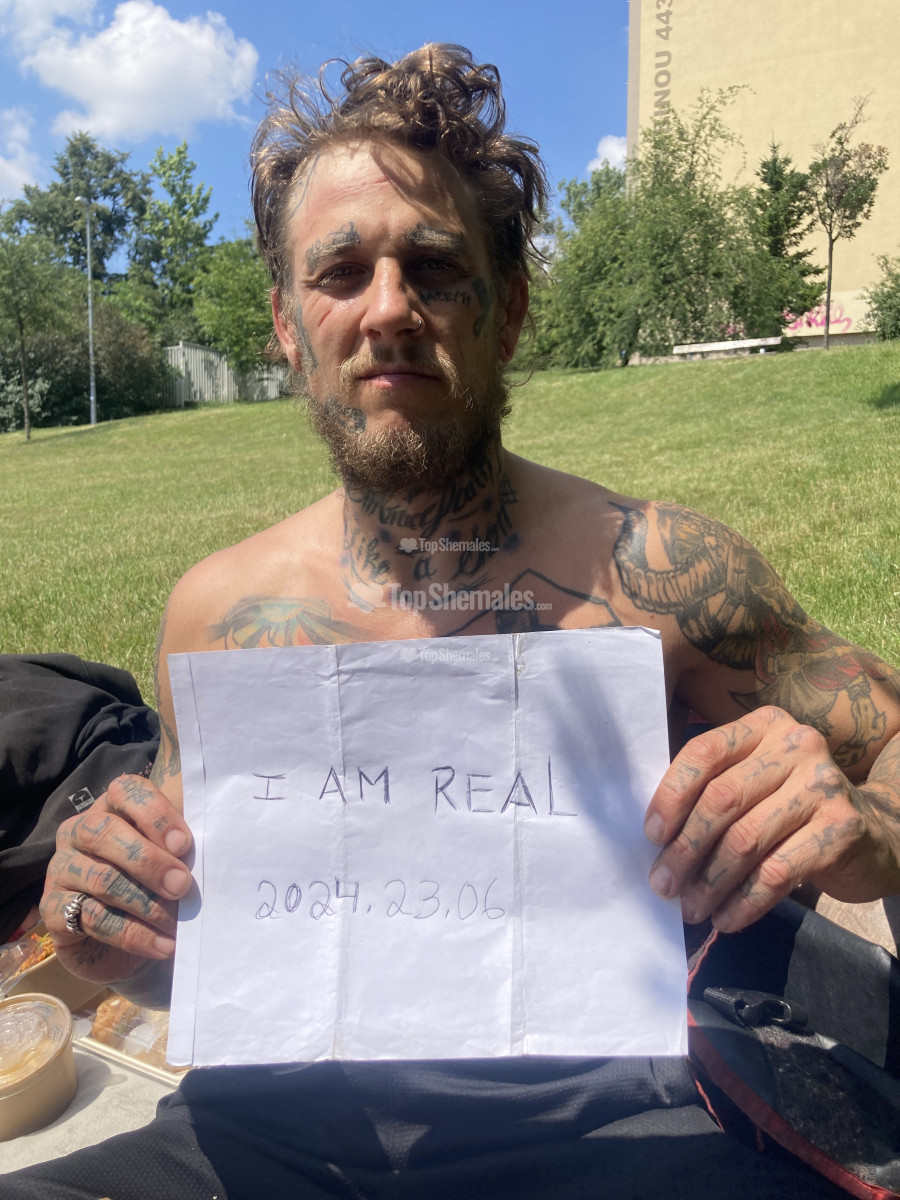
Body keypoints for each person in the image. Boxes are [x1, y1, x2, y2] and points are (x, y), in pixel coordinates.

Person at [10, 43, 900, 1199]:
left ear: (508, 310)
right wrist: (112, 933)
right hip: (263, 1139)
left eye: (432, 267)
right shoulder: (220, 614)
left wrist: (869, 829)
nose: (388, 308)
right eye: (341, 273)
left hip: (614, 1136)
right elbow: (197, 964)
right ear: (286, 324)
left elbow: (887, 740)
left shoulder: (666, 578)